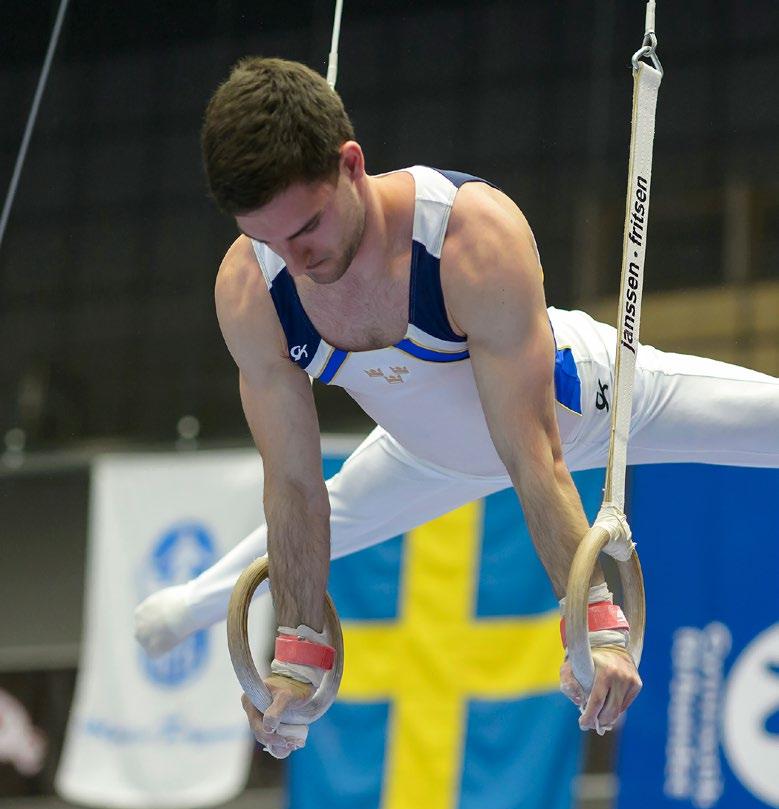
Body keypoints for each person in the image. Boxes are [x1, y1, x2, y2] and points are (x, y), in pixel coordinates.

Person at [135, 57, 779, 759]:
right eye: (267, 239)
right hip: (421, 452)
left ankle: (192, 603)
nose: (293, 259)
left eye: (307, 228)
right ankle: (193, 602)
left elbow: (531, 458)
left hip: (579, 409)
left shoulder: (469, 237)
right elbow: (293, 484)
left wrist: (594, 626)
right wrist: (295, 659)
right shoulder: (250, 287)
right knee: (314, 515)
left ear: (351, 165)